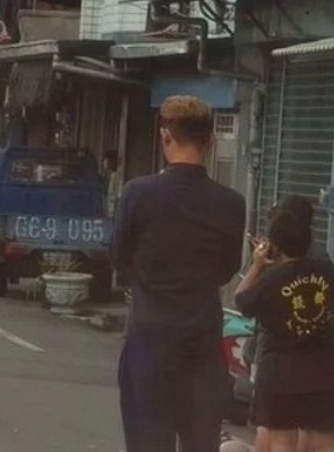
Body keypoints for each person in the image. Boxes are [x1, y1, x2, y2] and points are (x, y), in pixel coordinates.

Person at [112, 95, 246, 452]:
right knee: (201, 443)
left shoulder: (137, 194)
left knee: (147, 443)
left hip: (149, 338)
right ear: (209, 141)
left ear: (165, 137)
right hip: (202, 344)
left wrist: (146, 280)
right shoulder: (231, 204)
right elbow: (228, 269)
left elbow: (118, 257)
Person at [235, 205, 334, 452]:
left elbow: (241, 300)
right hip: (323, 372)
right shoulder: (327, 271)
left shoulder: (271, 279)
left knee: (282, 441)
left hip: (280, 375)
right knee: (325, 441)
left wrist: (257, 265)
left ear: (275, 245)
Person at [103, 150, 122, 218]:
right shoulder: (111, 176)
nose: (104, 163)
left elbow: (117, 197)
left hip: (113, 213)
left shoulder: (116, 176)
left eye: (106, 160)